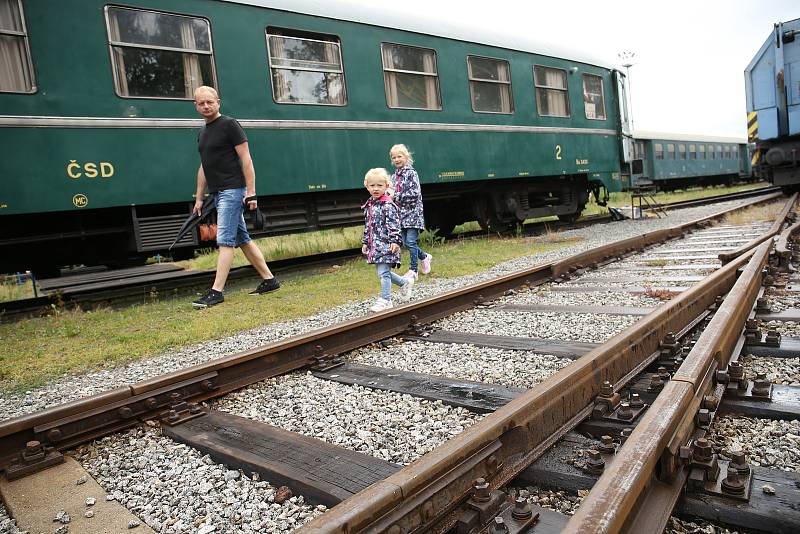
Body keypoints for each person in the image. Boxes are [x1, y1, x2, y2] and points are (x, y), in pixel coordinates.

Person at [190, 85, 279, 308]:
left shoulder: (230, 125)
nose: (206, 106)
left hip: (233, 190)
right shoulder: (202, 133)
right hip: (218, 192)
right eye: (201, 103)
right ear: (196, 106)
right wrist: (199, 198)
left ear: (218, 102)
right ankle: (270, 280)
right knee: (242, 239)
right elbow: (204, 167)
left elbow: (246, 159)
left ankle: (216, 291)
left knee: (225, 241)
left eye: (210, 101)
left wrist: (251, 193)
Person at [362, 168, 413, 312]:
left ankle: (386, 300)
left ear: (386, 186)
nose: (376, 189)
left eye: (379, 185)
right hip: (375, 246)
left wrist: (395, 241)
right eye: (372, 186)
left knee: (383, 273)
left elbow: (394, 225)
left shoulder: (388, 205)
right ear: (367, 186)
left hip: (387, 245)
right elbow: (368, 226)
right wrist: (365, 242)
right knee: (382, 273)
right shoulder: (370, 205)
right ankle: (404, 283)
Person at [388, 144, 432, 281]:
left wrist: (396, 196)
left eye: (399, 156)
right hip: (401, 216)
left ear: (406, 157)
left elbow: (414, 194)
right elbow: (392, 193)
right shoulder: (394, 177)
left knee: (411, 242)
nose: (396, 159)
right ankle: (425, 257)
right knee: (406, 243)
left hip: (413, 214)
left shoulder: (411, 173)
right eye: (394, 157)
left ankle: (413, 271)